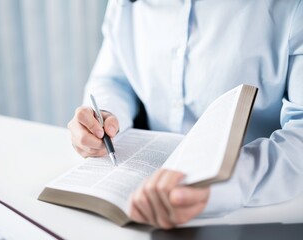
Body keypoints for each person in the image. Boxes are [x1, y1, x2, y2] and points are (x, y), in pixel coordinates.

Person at [68, 0, 303, 229]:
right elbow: (112, 80)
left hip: (250, 213)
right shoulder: (125, 5)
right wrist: (106, 116)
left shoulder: (291, 8)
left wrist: (220, 184)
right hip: (146, 188)